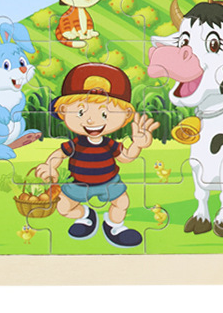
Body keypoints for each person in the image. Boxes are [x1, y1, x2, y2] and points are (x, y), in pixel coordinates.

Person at [35, 63, 159, 248]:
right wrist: (49, 165)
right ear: (63, 111)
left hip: (109, 182)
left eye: (104, 114)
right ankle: (85, 216)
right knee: (63, 207)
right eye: (80, 112)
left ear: (125, 115)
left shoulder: (109, 144)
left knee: (122, 202)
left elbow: (126, 157)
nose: (91, 120)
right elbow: (59, 154)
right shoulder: (75, 144)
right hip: (77, 183)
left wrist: (137, 145)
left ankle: (115, 226)